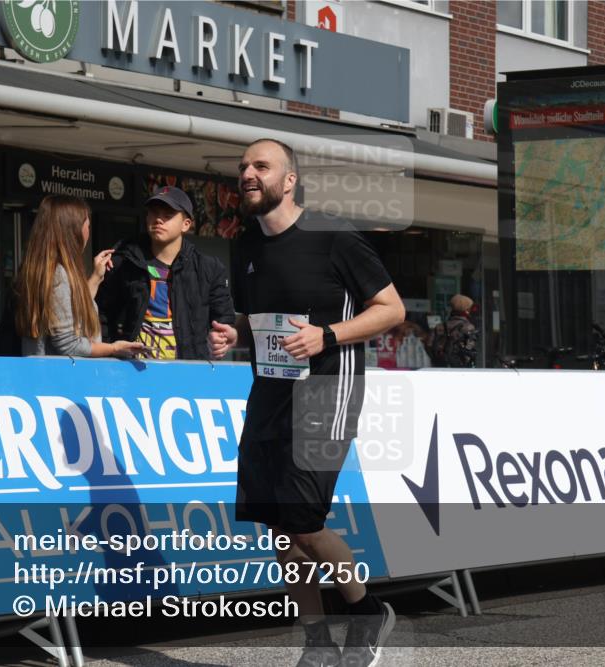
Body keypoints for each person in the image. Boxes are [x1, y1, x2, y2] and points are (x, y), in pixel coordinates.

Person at [211, 138, 406, 667]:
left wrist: (330, 335)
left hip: (326, 391)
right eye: (243, 166)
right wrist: (237, 336)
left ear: (289, 179)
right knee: (278, 524)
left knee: (302, 517)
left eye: (261, 166)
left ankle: (367, 610)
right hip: (269, 391)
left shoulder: (335, 237)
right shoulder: (247, 247)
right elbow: (266, 324)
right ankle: (317, 641)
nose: (248, 174)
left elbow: (390, 309)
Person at [96, 186, 235, 360]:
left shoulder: (209, 268)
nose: (158, 219)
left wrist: (222, 337)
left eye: (168, 215)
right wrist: (110, 354)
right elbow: (102, 315)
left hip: (188, 374)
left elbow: (224, 320)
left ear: (186, 224)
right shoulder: (124, 262)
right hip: (133, 372)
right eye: (153, 213)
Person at [16, 195, 144, 358]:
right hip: (64, 379)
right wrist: (113, 348)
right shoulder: (58, 274)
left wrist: (96, 278)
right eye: (88, 225)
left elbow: (71, 314)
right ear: (74, 230)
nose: (88, 232)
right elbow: (69, 344)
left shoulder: (41, 270)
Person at [443, 294, 478, 368]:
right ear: (466, 310)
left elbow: (430, 345)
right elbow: (469, 348)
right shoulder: (468, 327)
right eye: (469, 309)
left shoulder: (440, 326)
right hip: (461, 367)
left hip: (441, 367)